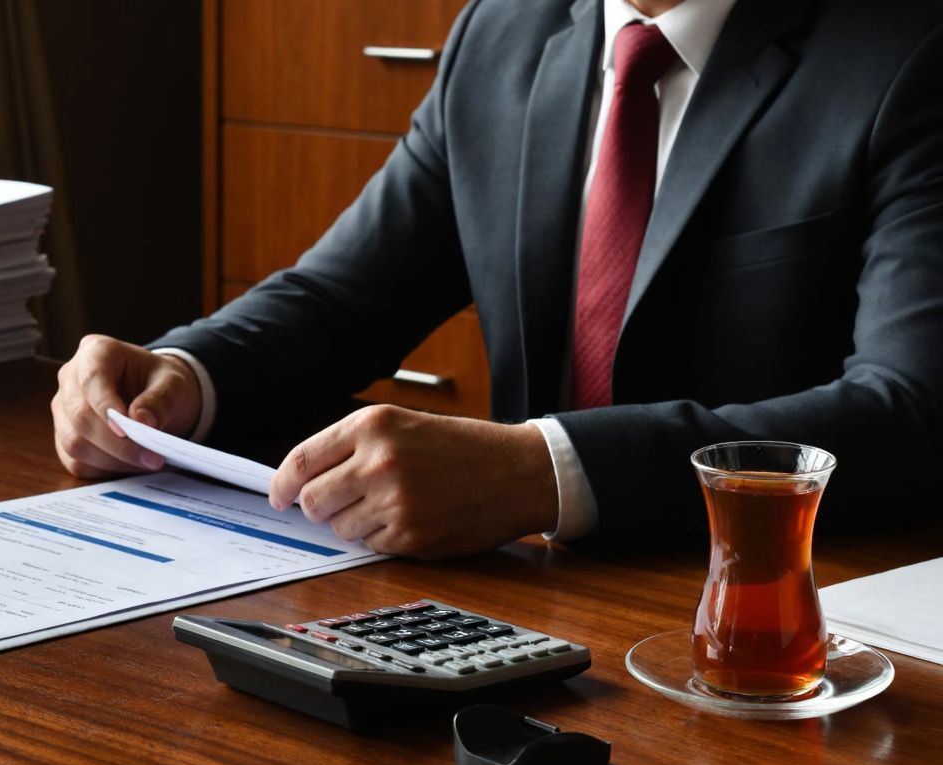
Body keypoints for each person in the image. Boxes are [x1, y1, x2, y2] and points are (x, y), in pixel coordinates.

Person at [52, 0, 943, 554]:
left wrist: (543, 473)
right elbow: (343, 297)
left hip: (788, 615)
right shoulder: (504, 31)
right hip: (520, 607)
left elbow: (913, 410)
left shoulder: (910, 53)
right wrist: (182, 375)